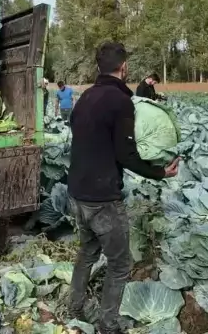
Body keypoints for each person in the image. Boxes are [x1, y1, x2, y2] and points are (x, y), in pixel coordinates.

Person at [66, 42, 180, 334]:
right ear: (124, 67)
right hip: (103, 197)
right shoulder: (120, 102)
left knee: (87, 253)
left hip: (77, 193)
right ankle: (109, 324)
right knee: (120, 264)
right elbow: (126, 155)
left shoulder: (84, 98)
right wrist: (160, 173)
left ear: (98, 67)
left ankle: (75, 306)